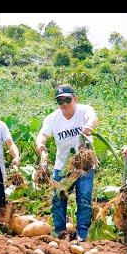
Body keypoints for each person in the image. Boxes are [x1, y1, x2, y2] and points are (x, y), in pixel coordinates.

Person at [35, 84, 98, 242]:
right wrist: (41, 145)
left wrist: (89, 126)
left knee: (83, 198)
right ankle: (60, 233)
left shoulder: (84, 111)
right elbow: (42, 134)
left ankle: (82, 235)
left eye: (67, 100)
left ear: (75, 98)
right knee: (59, 198)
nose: (64, 104)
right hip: (63, 165)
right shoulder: (52, 118)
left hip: (84, 165)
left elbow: (93, 118)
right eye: (60, 101)